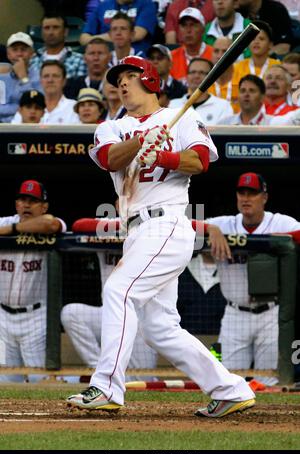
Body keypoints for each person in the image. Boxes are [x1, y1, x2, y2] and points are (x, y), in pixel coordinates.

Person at [66, 55, 255, 418]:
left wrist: (164, 155)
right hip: (134, 230)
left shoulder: (180, 116)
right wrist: (140, 143)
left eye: (130, 76)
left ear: (150, 79)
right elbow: (108, 159)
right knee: (159, 328)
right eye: (118, 79)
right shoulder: (110, 127)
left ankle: (106, 386)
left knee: (118, 290)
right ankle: (230, 389)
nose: (122, 83)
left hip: (166, 224)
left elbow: (199, 161)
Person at [207, 172, 300, 370]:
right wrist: (208, 229)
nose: (246, 198)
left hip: (271, 314)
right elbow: (182, 226)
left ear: (264, 197)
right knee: (228, 380)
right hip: (235, 314)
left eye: (253, 193)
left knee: (270, 383)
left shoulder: (280, 222)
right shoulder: (222, 224)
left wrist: (282, 238)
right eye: (242, 192)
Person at [61, 217, 158, 380]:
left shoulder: (152, 226)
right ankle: (97, 369)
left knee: (142, 380)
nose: (127, 202)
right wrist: (123, 225)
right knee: (71, 313)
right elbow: (79, 225)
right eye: (122, 199)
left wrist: (135, 226)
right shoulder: (108, 225)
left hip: (140, 317)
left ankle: (107, 378)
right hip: (109, 314)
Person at [0, 180, 67, 381]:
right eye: (22, 200)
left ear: (44, 206)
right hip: (2, 317)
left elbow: (50, 224)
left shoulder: (48, 223)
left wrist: (13, 231)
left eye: (33, 201)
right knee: (6, 383)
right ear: (16, 204)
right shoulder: (4, 221)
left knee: (40, 380)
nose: (27, 205)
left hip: (36, 317)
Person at [169, 58, 234, 125]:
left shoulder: (223, 106)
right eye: (193, 72)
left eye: (202, 72)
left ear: (211, 78)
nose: (196, 76)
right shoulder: (172, 105)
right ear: (187, 76)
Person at [80, 0, 157, 55]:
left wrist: (94, 39)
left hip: (136, 55)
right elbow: (83, 39)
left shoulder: (147, 4)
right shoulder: (103, 6)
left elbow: (138, 34)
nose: (118, 33)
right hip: (104, 57)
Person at [29, 13, 86, 79]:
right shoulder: (32, 61)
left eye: (55, 27)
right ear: (41, 32)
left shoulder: (79, 61)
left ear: (65, 32)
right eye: (47, 28)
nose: (51, 32)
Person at [0, 32, 42, 123]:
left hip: (30, 127)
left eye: (23, 50)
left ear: (31, 53)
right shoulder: (1, 79)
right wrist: (21, 110)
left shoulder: (40, 77)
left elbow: (36, 106)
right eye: (15, 50)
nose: (19, 54)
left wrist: (24, 78)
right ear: (8, 54)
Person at [170, 8, 214, 83]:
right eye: (184, 25)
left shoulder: (215, 55)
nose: (188, 30)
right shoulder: (171, 58)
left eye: (193, 25)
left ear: (203, 29)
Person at [40, 60, 80, 124]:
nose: (50, 80)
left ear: (64, 81)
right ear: (40, 81)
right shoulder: (29, 108)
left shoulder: (75, 108)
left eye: (55, 76)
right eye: (46, 76)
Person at [208, 37, 240, 112]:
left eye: (225, 51)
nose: (220, 56)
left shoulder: (244, 77)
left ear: (234, 54)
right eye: (216, 51)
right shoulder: (203, 80)